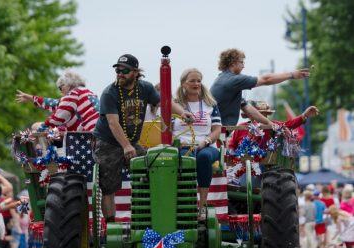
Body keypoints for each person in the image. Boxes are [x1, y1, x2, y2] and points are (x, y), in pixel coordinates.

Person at [92, 54, 192, 222]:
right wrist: (126, 146)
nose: (120, 73)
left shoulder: (145, 88)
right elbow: (112, 123)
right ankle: (110, 228)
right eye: (117, 70)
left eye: (124, 70)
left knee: (152, 168)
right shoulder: (109, 93)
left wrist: (183, 112)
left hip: (131, 142)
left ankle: (150, 220)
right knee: (108, 187)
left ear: (136, 72)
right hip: (107, 142)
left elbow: (164, 102)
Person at [210, 48, 310, 126]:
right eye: (241, 62)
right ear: (232, 63)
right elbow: (266, 79)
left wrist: (269, 124)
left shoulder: (224, 79)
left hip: (214, 129)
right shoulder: (234, 80)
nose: (243, 66)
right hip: (215, 131)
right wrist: (292, 75)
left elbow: (247, 108)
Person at [172, 68, 222, 219]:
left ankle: (202, 206)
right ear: (183, 84)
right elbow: (165, 129)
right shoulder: (175, 105)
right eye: (192, 81)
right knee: (183, 160)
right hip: (182, 146)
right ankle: (185, 206)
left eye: (199, 81)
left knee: (204, 157)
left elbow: (217, 130)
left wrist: (205, 142)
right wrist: (176, 144)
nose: (196, 84)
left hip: (206, 146)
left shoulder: (210, 104)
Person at [16, 69, 100, 132]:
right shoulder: (87, 93)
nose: (60, 91)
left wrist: (41, 130)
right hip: (100, 129)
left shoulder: (75, 93)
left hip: (95, 132)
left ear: (68, 84)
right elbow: (56, 103)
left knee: (36, 127)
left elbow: (58, 117)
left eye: (60, 87)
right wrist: (31, 98)